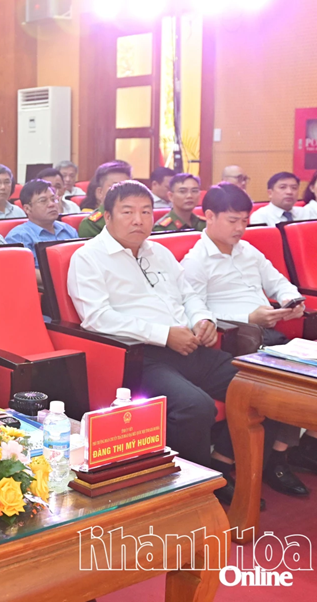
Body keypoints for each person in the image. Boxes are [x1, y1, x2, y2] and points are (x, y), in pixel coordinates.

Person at [67, 180, 275, 502]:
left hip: (189, 346)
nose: (138, 220)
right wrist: (163, 335)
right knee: (196, 407)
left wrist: (203, 320)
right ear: (107, 216)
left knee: (261, 386)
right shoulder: (88, 258)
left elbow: (189, 295)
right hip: (140, 358)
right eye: (128, 212)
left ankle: (222, 464)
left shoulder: (159, 252)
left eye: (146, 212)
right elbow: (97, 318)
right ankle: (196, 490)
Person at [180, 183, 310, 496]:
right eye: (232, 220)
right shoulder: (195, 261)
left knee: (302, 380)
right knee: (277, 384)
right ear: (209, 216)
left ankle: (279, 455)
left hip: (270, 335)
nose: (240, 227)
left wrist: (291, 301)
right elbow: (194, 311)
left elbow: (279, 283)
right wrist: (248, 317)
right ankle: (229, 462)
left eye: (244, 220)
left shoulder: (248, 251)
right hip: (235, 341)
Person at [5, 179, 78, 283]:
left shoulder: (68, 230)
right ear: (27, 209)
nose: (51, 204)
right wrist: (61, 279)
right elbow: (22, 271)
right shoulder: (18, 236)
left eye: (53, 199)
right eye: (43, 201)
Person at [78, 161, 132, 237]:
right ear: (100, 192)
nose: (123, 192)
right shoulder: (92, 224)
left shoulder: (139, 218)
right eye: (115, 187)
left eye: (127, 186)